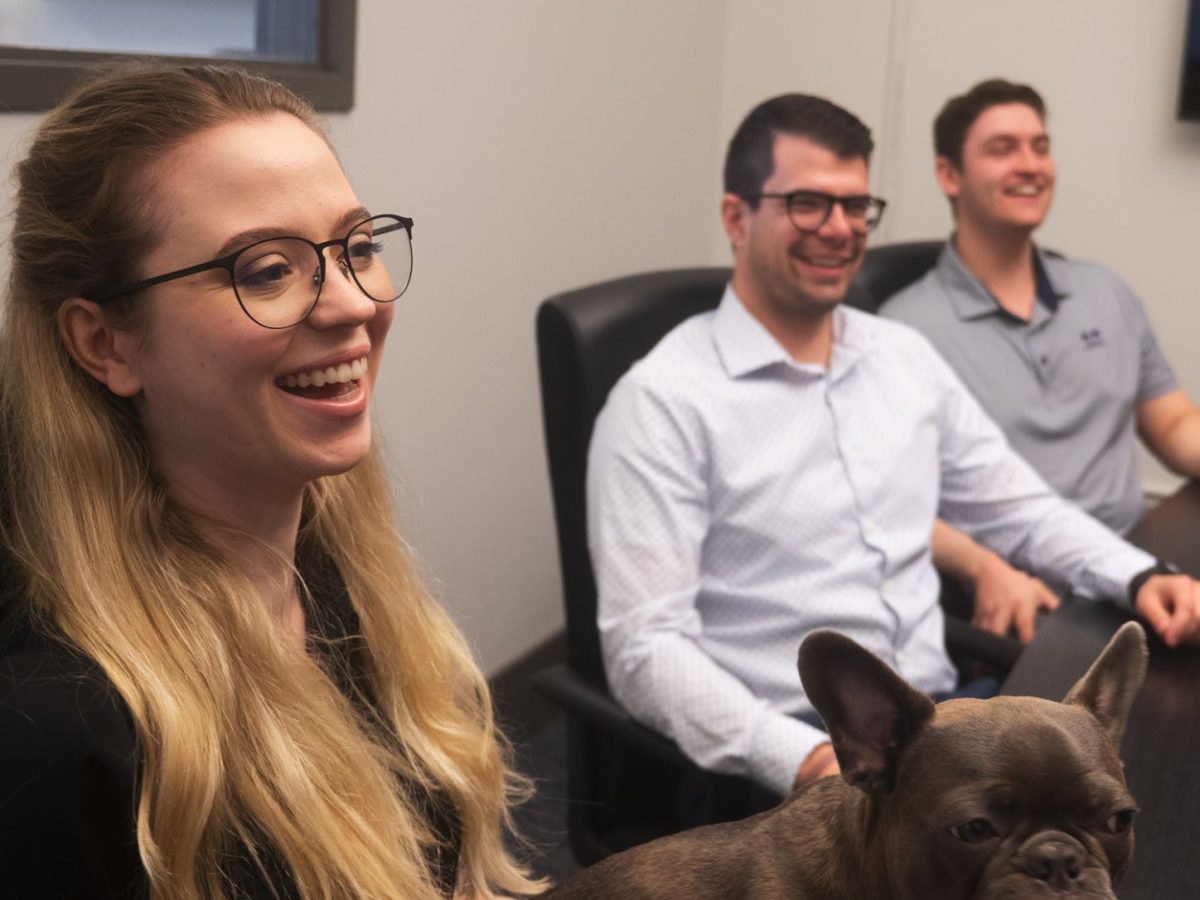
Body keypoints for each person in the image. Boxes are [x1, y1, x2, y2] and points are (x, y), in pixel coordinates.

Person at [0, 63, 540, 899]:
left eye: (357, 246)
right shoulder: (60, 731)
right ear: (105, 344)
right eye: (266, 270)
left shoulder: (333, 560)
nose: (352, 304)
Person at [586, 92, 1200, 803]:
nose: (839, 229)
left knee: (1128, 812)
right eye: (808, 204)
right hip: (796, 758)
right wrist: (810, 759)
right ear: (736, 216)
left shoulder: (901, 357)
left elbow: (1021, 508)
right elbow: (644, 650)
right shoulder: (664, 399)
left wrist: (1142, 576)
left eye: (855, 207)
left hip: (944, 724)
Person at [881, 77, 1200, 548]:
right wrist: (982, 570)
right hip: (1021, 588)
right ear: (949, 175)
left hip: (1140, 561)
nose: (1030, 166)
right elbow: (897, 503)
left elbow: (1173, 423)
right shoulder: (903, 332)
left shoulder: (1105, 292)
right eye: (1002, 149)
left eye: (1040, 147)